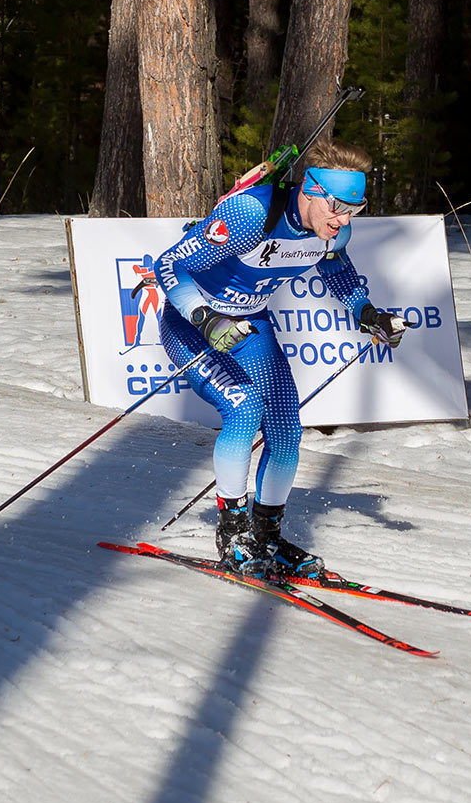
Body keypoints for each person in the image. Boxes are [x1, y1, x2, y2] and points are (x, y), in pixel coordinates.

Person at [153, 140, 407, 578]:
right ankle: (233, 535)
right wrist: (206, 317)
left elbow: (337, 271)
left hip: (252, 324)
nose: (344, 220)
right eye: (337, 208)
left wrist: (368, 315)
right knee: (244, 408)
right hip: (193, 323)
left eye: (355, 209)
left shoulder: (334, 230)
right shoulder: (252, 214)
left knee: (287, 428)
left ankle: (266, 538)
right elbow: (169, 267)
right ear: (309, 191)